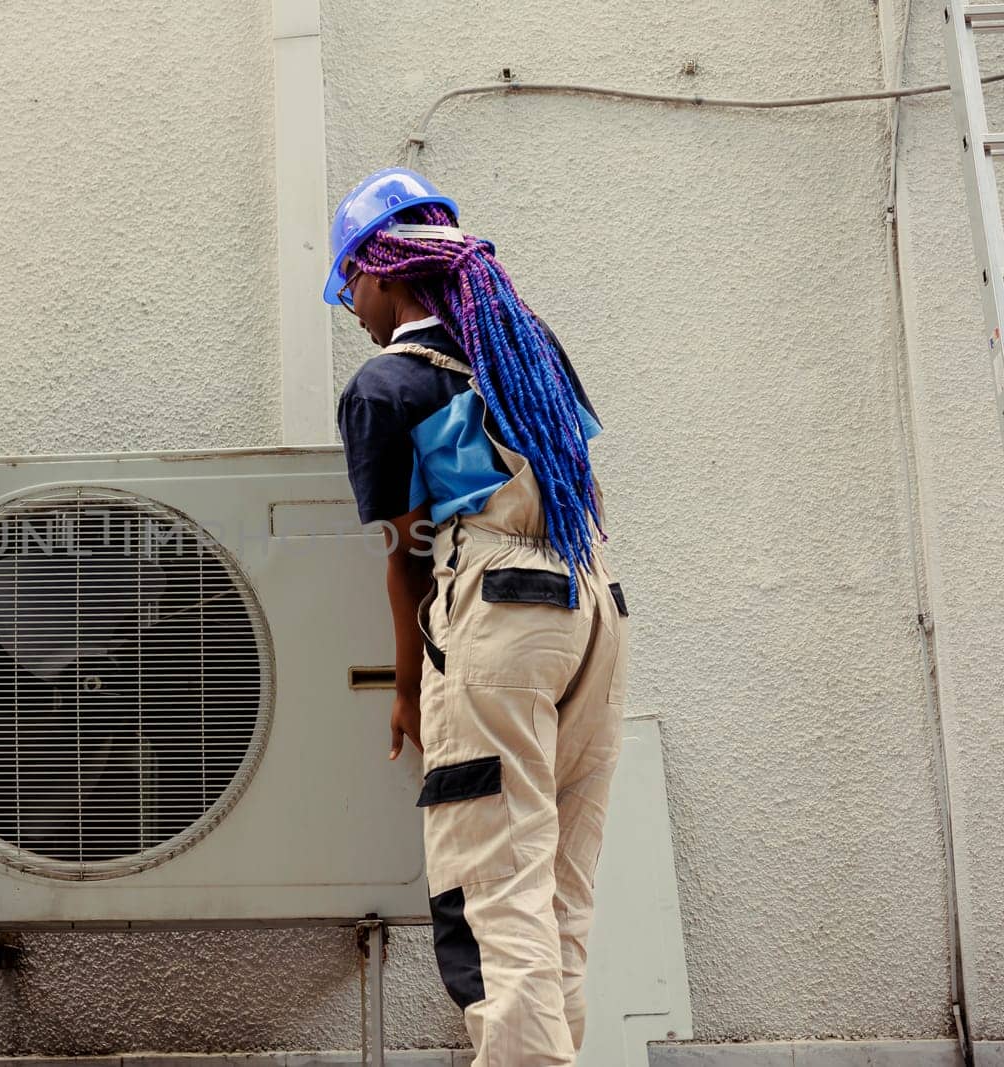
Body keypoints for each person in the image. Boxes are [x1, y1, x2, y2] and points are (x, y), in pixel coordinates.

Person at [325, 167, 630, 1066]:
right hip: (594, 612)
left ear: (382, 271)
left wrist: (409, 685)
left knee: (494, 892)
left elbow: (406, 552)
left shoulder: (385, 385)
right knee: (558, 895)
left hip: (501, 627)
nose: (357, 309)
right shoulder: (525, 348)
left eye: (352, 289)